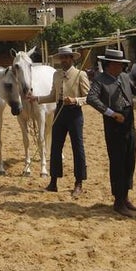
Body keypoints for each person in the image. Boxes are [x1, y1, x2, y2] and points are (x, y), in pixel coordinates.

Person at [86, 47, 136, 218]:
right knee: (118, 162)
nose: (122, 67)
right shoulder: (100, 80)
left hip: (129, 120)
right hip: (114, 122)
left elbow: (133, 89)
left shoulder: (123, 77)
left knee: (130, 159)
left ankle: (125, 196)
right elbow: (91, 99)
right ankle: (118, 201)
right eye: (119, 64)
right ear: (110, 65)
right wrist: (111, 113)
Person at [30, 46, 90, 197]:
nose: (63, 60)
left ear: (71, 58)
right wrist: (36, 98)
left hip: (75, 114)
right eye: (61, 58)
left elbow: (89, 98)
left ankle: (78, 183)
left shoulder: (80, 74)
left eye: (66, 57)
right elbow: (52, 96)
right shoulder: (56, 75)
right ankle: (53, 182)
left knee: (78, 148)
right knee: (55, 147)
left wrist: (75, 100)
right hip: (59, 112)